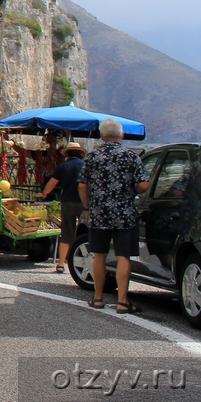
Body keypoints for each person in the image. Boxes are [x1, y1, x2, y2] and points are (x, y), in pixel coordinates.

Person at [78, 119, 150, 313]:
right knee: (123, 256)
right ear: (122, 135)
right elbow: (144, 185)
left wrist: (87, 208)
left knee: (99, 255)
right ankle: (122, 301)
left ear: (102, 136)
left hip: (99, 213)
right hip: (125, 213)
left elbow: (82, 185)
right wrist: (129, 190)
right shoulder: (130, 156)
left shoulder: (92, 157)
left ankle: (98, 298)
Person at [41, 142, 85, 274]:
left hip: (68, 202)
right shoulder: (86, 166)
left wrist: (44, 194)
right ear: (80, 154)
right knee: (85, 232)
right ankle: (82, 260)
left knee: (67, 232)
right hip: (84, 203)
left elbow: (51, 184)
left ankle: (60, 264)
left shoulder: (63, 167)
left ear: (67, 154)